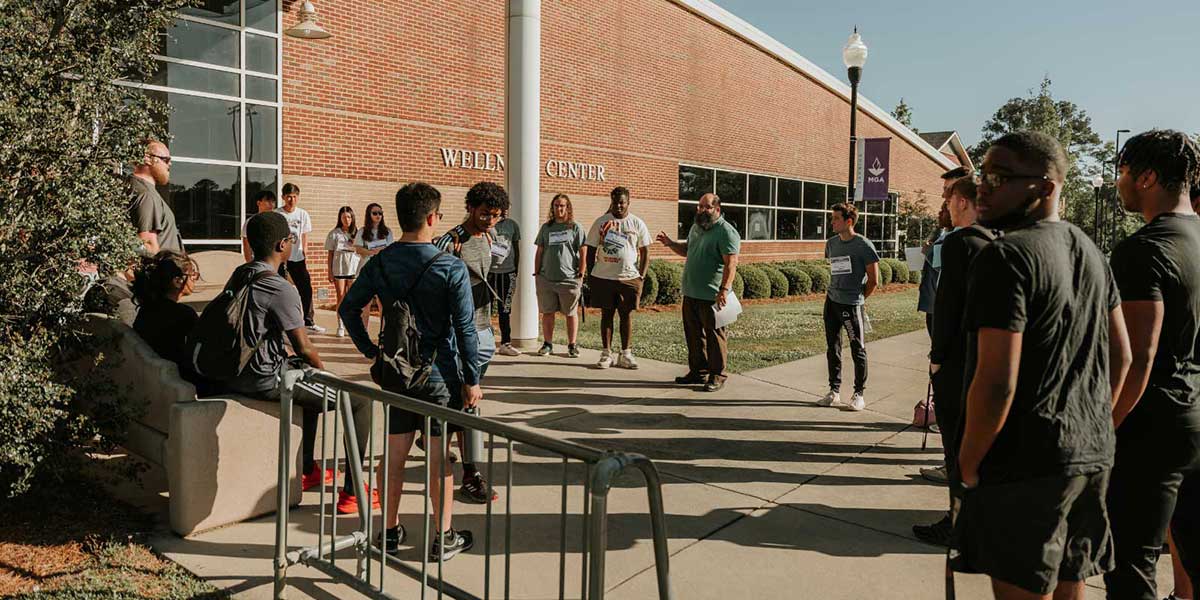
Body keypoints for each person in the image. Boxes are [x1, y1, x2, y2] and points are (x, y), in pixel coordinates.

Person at [951, 131, 1132, 600]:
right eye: (981, 175)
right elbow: (1123, 354)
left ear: (1046, 187)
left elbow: (996, 384)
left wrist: (968, 464)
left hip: (1024, 465)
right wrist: (1094, 426)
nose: (983, 187)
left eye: (1000, 176)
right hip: (1089, 457)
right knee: (1070, 583)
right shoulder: (1090, 250)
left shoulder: (1005, 257)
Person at [339, 182, 481, 562]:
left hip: (396, 372)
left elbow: (348, 309)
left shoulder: (381, 261)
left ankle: (388, 531)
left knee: (396, 450)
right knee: (439, 457)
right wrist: (472, 380)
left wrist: (373, 352)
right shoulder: (450, 266)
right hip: (439, 374)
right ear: (432, 218)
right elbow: (466, 329)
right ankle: (443, 536)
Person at [221, 212, 376, 513]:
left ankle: (307, 469)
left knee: (307, 380)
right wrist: (326, 372)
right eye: (291, 239)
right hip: (262, 377)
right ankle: (353, 492)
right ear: (282, 245)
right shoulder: (281, 288)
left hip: (234, 370)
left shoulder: (241, 273)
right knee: (360, 401)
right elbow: (304, 348)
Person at [1104, 130, 1200, 600]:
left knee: (1131, 565)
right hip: (1198, 418)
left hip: (1153, 430)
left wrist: (1104, 430)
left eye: (1121, 170)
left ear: (1146, 177)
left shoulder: (1143, 250)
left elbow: (1136, 359)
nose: (1117, 181)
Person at [912, 176, 993, 544]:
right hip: (983, 357)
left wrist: (937, 358)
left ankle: (958, 523)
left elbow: (947, 306)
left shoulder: (962, 243)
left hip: (956, 360)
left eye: (948, 197)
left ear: (963, 201)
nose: (944, 204)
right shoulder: (994, 240)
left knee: (956, 446)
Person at [434, 181, 507, 504]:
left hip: (484, 329)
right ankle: (470, 473)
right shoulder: (449, 242)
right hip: (459, 333)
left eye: (495, 215)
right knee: (468, 400)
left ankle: (442, 436)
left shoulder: (491, 237)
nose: (490, 220)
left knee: (464, 400)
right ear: (470, 208)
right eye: (484, 214)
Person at [656, 192, 740, 392]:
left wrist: (724, 290)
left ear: (717, 210)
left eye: (707, 207)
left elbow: (731, 264)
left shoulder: (726, 232)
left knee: (714, 336)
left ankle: (717, 374)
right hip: (691, 292)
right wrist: (670, 244)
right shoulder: (696, 227)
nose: (702, 210)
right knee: (693, 336)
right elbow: (688, 250)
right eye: (700, 206)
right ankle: (698, 372)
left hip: (712, 295)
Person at [818, 202, 879, 411]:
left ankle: (858, 394)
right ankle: (834, 392)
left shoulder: (863, 245)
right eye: (832, 218)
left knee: (857, 350)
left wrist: (859, 298)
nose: (832, 222)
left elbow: (873, 280)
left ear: (849, 221)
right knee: (832, 348)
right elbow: (836, 270)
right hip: (832, 302)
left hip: (852, 305)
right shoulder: (832, 243)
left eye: (836, 218)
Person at [130, 250, 215, 395]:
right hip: (180, 381)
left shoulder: (146, 310)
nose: (195, 278)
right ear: (177, 281)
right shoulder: (183, 314)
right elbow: (204, 350)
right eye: (192, 274)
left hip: (154, 380)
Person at [586, 186, 651, 370]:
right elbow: (590, 249)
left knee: (626, 315)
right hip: (604, 277)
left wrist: (642, 276)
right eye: (615, 202)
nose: (619, 206)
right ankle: (606, 354)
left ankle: (626, 354)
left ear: (628, 202)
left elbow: (645, 251)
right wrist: (591, 274)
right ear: (611, 202)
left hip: (628, 278)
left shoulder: (637, 223)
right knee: (606, 315)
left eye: (622, 202)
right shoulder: (601, 222)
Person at [533, 194, 587, 357]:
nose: (559, 208)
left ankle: (572, 345)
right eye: (556, 205)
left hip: (569, 279)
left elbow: (583, 250)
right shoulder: (546, 228)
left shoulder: (575, 227)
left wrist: (581, 273)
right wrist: (537, 273)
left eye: (562, 205)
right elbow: (540, 250)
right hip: (546, 278)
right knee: (547, 312)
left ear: (568, 207)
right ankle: (547, 344)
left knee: (570, 313)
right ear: (552, 208)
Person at [276, 183, 323, 333]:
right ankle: (280, 322)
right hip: (281, 258)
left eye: (295, 196)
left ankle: (308, 321)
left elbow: (304, 235)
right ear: (283, 197)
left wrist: (305, 251)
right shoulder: (278, 214)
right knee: (281, 290)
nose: (291, 199)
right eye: (289, 196)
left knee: (306, 289)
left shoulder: (303, 214)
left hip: (297, 257)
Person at [129, 139, 184, 257]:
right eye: (166, 160)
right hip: (161, 273)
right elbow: (149, 247)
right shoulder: (146, 195)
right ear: (147, 159)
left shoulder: (133, 188)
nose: (170, 164)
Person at [354, 202, 395, 335]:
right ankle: (364, 332)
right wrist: (373, 251)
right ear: (369, 214)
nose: (378, 216)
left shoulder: (387, 232)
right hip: (366, 269)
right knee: (365, 304)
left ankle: (383, 333)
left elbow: (390, 250)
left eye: (380, 213)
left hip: (382, 270)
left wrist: (379, 251)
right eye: (375, 213)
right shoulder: (362, 231)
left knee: (382, 303)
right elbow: (358, 249)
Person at [489, 209, 522, 356]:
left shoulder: (512, 225)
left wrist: (516, 268)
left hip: (508, 272)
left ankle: (505, 343)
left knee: (505, 309)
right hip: (488, 272)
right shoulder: (487, 223)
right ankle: (486, 342)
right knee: (485, 309)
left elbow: (516, 248)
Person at [325, 206, 360, 337]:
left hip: (353, 268)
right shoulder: (334, 233)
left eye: (349, 217)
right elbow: (330, 254)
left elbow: (363, 251)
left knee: (352, 297)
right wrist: (329, 271)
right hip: (339, 268)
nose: (347, 219)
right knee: (341, 296)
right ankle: (340, 325)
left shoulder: (358, 233)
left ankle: (351, 325)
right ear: (340, 218)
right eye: (344, 217)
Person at [242, 190, 277, 263]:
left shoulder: (278, 222)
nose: (271, 204)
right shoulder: (251, 222)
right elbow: (246, 246)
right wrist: (250, 263)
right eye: (268, 201)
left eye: (273, 202)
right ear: (258, 203)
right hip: (258, 263)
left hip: (275, 263)